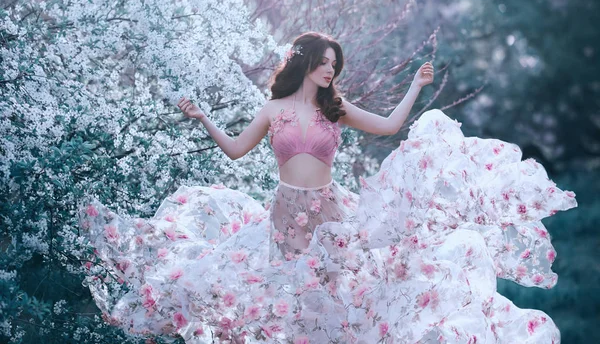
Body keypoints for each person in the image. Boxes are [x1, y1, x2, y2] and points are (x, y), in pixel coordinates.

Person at [79, 31, 577, 343]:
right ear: (306, 62)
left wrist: (415, 89)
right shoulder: (274, 110)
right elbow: (235, 149)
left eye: (335, 64)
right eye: (325, 62)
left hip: (330, 214)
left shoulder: (333, 110)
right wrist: (202, 118)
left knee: (341, 298)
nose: (331, 69)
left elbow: (387, 126)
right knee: (292, 302)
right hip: (284, 213)